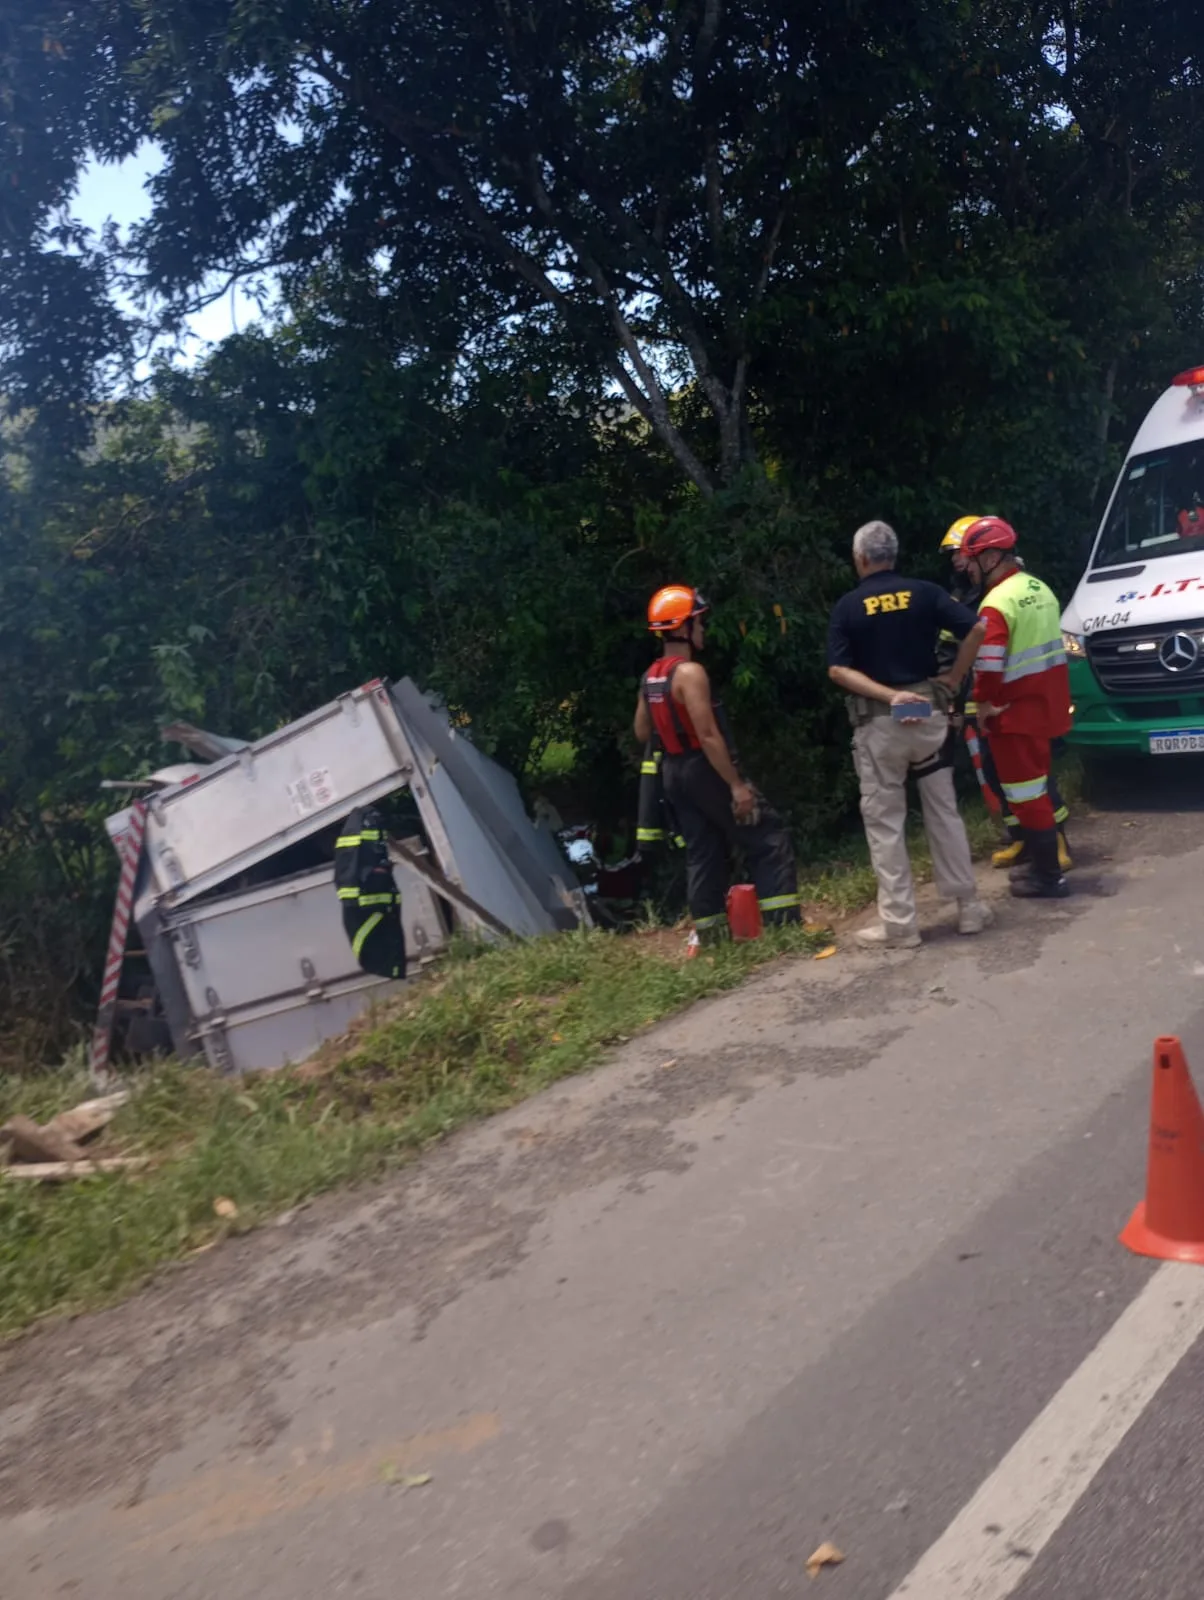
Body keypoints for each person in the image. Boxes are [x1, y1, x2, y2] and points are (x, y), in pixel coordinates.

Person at [827, 520, 993, 949]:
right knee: (944, 811)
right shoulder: (925, 592)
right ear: (893, 556)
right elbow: (976, 628)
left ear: (861, 558)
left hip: (880, 726)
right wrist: (955, 676)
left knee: (885, 823)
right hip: (929, 719)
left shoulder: (848, 606)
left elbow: (838, 670)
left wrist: (888, 695)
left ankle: (901, 926)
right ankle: (969, 908)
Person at [634, 584, 801, 944]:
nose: (703, 629)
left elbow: (641, 730)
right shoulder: (690, 674)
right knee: (766, 834)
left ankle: (712, 939)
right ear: (682, 628)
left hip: (673, 774)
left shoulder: (651, 677)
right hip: (701, 767)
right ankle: (785, 927)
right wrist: (737, 787)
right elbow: (708, 735)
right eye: (698, 622)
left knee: (702, 850)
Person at [938, 517, 1072, 872]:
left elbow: (991, 662)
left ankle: (1048, 871)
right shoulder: (1039, 588)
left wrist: (982, 701)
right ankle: (1036, 854)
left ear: (991, 557)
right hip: (1043, 707)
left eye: (968, 557)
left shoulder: (996, 601)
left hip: (1011, 711)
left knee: (1028, 792)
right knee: (1026, 785)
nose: (963, 566)